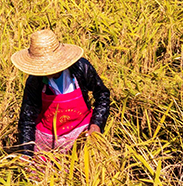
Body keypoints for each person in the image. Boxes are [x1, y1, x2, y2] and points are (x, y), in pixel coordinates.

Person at [10, 29, 110, 157]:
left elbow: (102, 95)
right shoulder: (35, 81)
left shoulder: (81, 68)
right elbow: (27, 119)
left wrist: (97, 124)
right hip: (48, 139)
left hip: (80, 133)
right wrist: (26, 153)